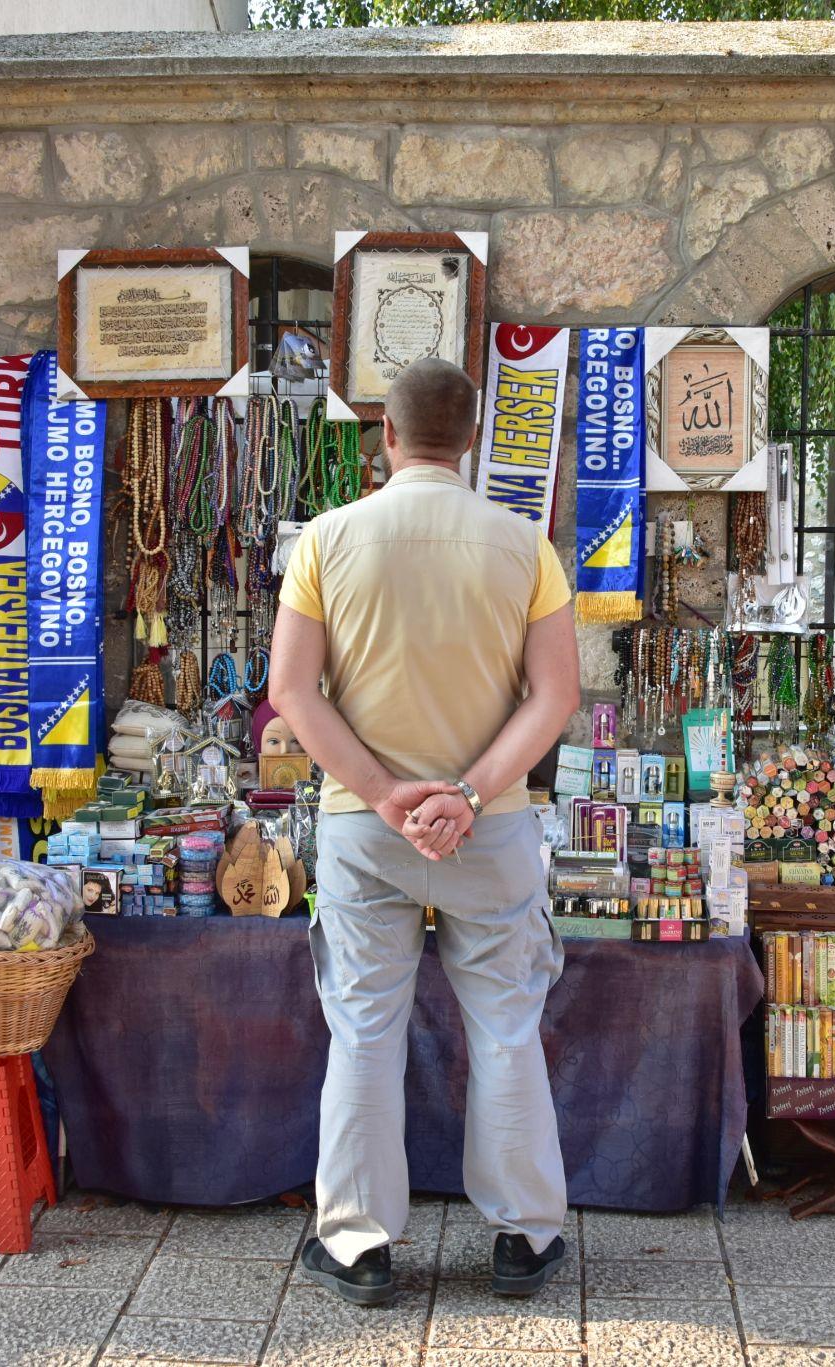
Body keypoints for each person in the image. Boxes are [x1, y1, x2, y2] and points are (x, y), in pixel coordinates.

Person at [271, 357, 580, 1306]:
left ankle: (358, 1244)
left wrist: (385, 791)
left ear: (388, 439)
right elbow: (555, 697)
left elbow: (291, 692)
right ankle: (525, 1237)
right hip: (487, 833)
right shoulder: (524, 545)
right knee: (506, 1025)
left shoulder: (326, 539)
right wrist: (470, 795)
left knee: (363, 1028)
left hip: (368, 829)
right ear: (472, 438)